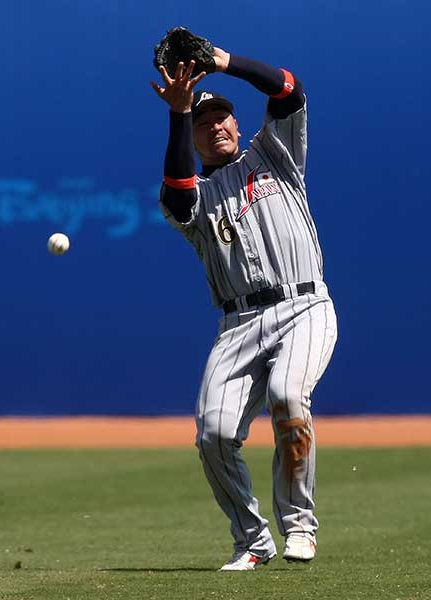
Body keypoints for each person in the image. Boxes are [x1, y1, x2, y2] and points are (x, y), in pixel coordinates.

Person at [150, 38, 338, 572]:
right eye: (204, 123)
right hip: (239, 324)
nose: (217, 126)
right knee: (212, 435)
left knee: (286, 396)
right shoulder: (187, 198)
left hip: (305, 306)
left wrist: (223, 62)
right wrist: (180, 113)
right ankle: (252, 540)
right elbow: (181, 187)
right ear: (192, 136)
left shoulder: (274, 153)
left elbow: (288, 88)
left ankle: (299, 525)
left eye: (223, 116)